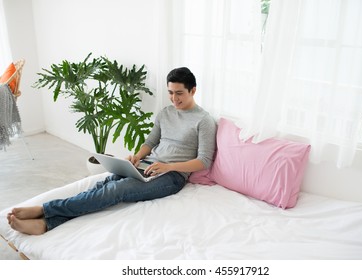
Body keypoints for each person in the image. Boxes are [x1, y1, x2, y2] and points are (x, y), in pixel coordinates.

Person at [7, 67, 217, 235]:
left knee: (117, 190)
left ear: (193, 90)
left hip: (172, 176)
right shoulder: (166, 112)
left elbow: (204, 160)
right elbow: (151, 141)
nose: (174, 99)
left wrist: (168, 166)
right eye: (170, 93)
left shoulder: (204, 120)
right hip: (148, 165)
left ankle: (46, 210)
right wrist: (137, 156)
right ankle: (47, 224)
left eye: (179, 93)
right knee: (105, 183)